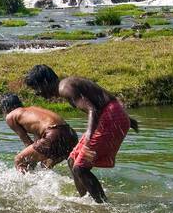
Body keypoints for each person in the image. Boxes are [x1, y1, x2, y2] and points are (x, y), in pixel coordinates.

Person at [22, 65, 139, 203]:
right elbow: (102, 99)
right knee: (72, 160)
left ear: (45, 83)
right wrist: (126, 119)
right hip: (112, 115)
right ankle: (84, 199)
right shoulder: (67, 84)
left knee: (80, 168)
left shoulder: (65, 88)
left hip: (109, 118)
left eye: (37, 89)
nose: (37, 93)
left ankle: (102, 205)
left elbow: (92, 109)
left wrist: (89, 137)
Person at [0, 93, 78, 173]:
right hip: (71, 135)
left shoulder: (11, 116)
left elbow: (27, 142)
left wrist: (30, 161)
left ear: (5, 108)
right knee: (45, 165)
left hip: (54, 134)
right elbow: (37, 142)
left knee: (19, 160)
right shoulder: (32, 110)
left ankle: (28, 183)